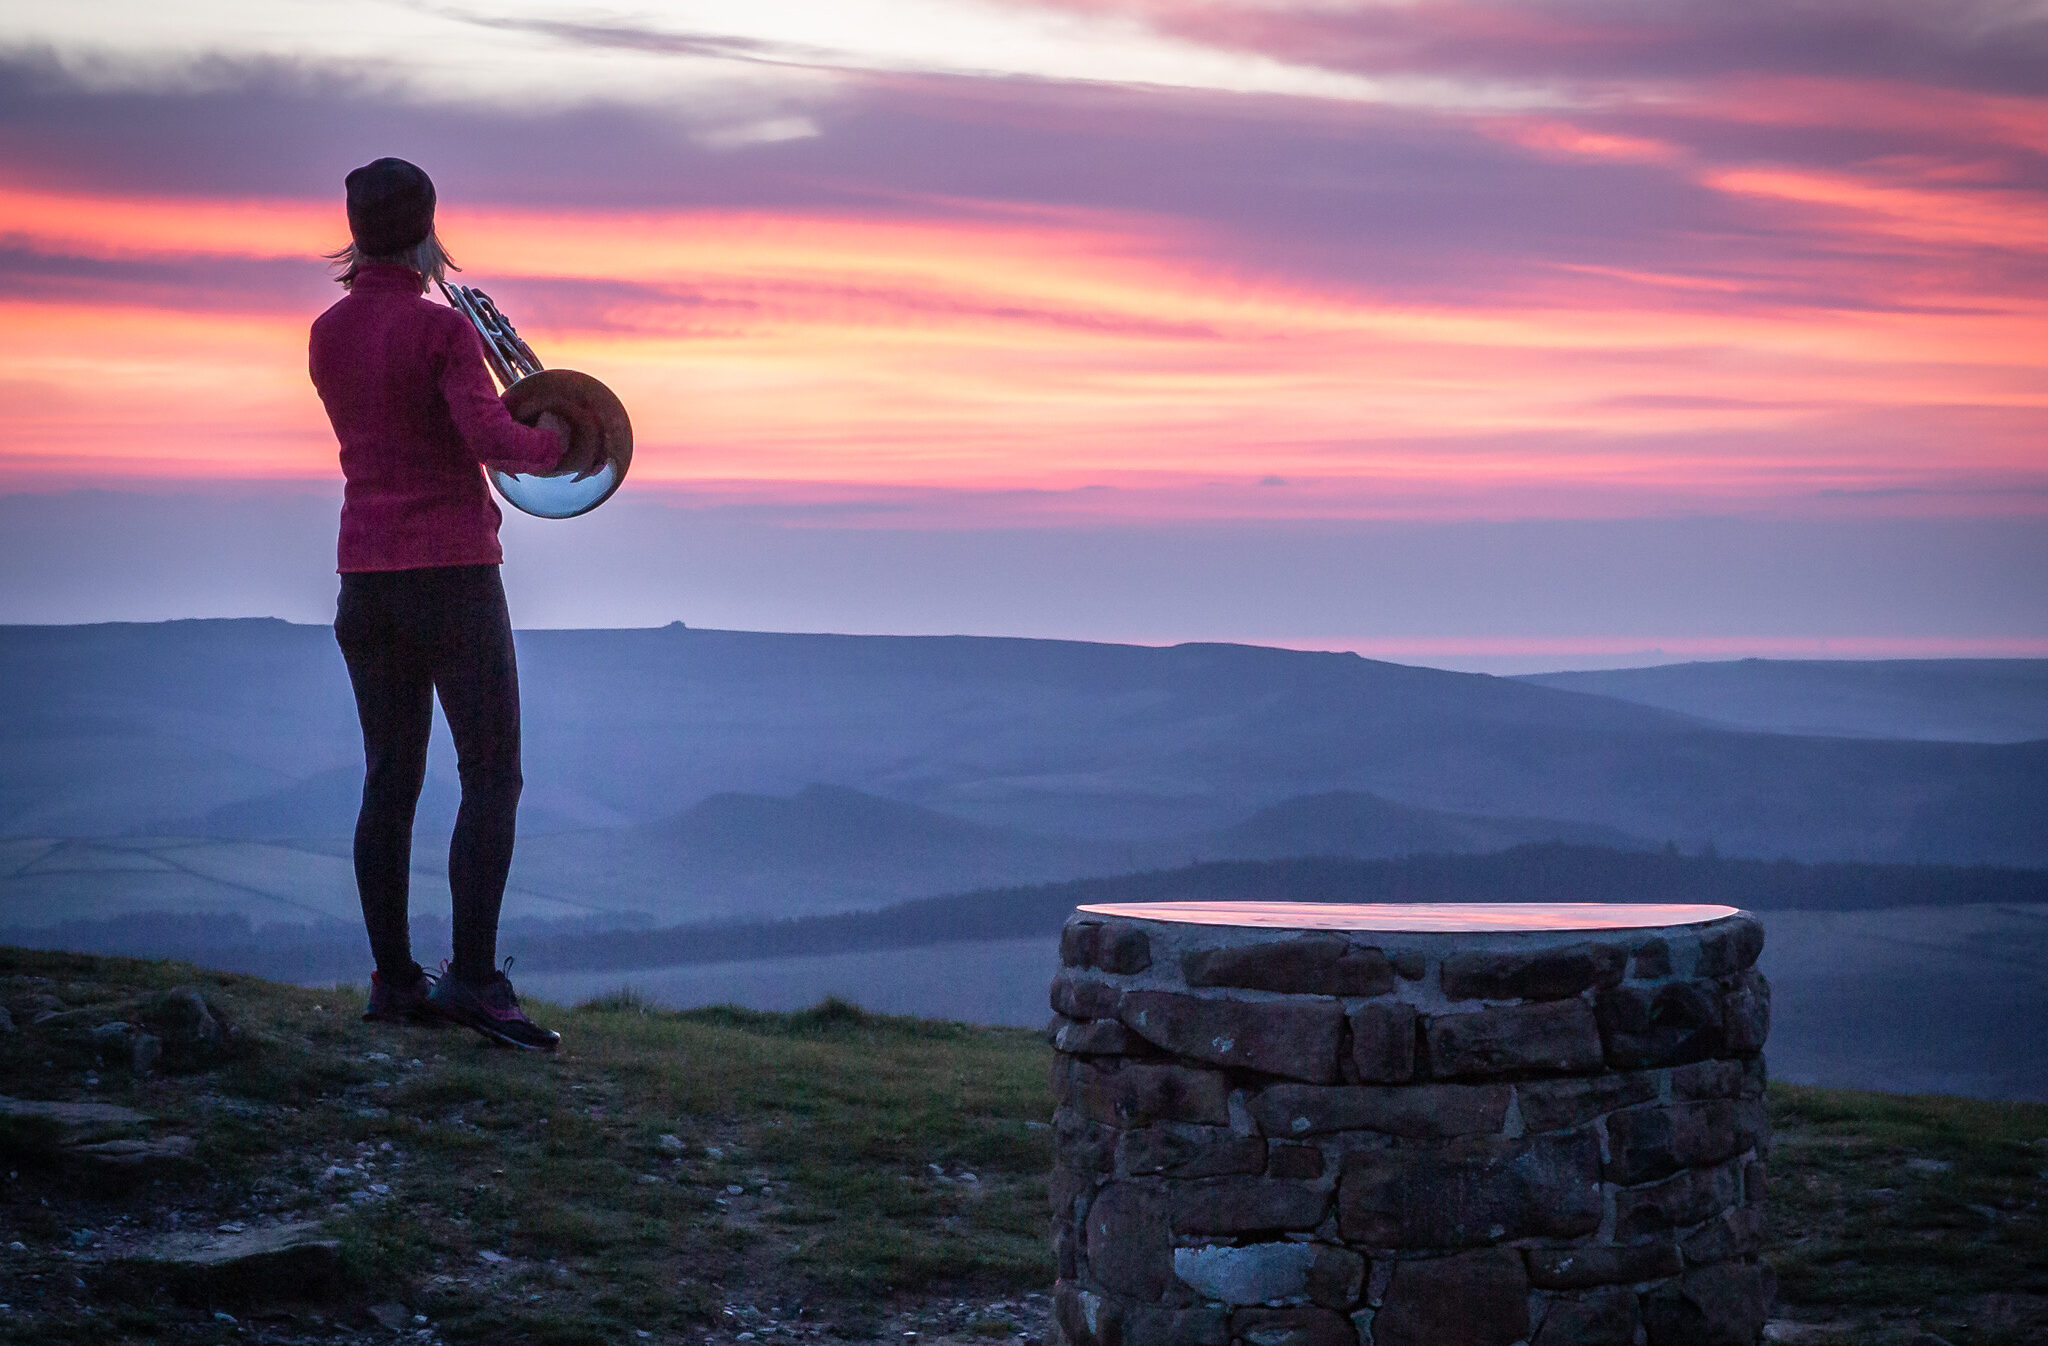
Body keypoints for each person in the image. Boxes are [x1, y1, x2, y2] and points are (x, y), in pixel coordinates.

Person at [309, 157, 568, 1050]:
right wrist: (558, 435)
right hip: (454, 574)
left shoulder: (326, 332)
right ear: (427, 227)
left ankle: (392, 981)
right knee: (492, 774)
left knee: (390, 779)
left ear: (354, 229)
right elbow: (492, 436)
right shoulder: (445, 333)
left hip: (363, 579)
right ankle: (477, 982)